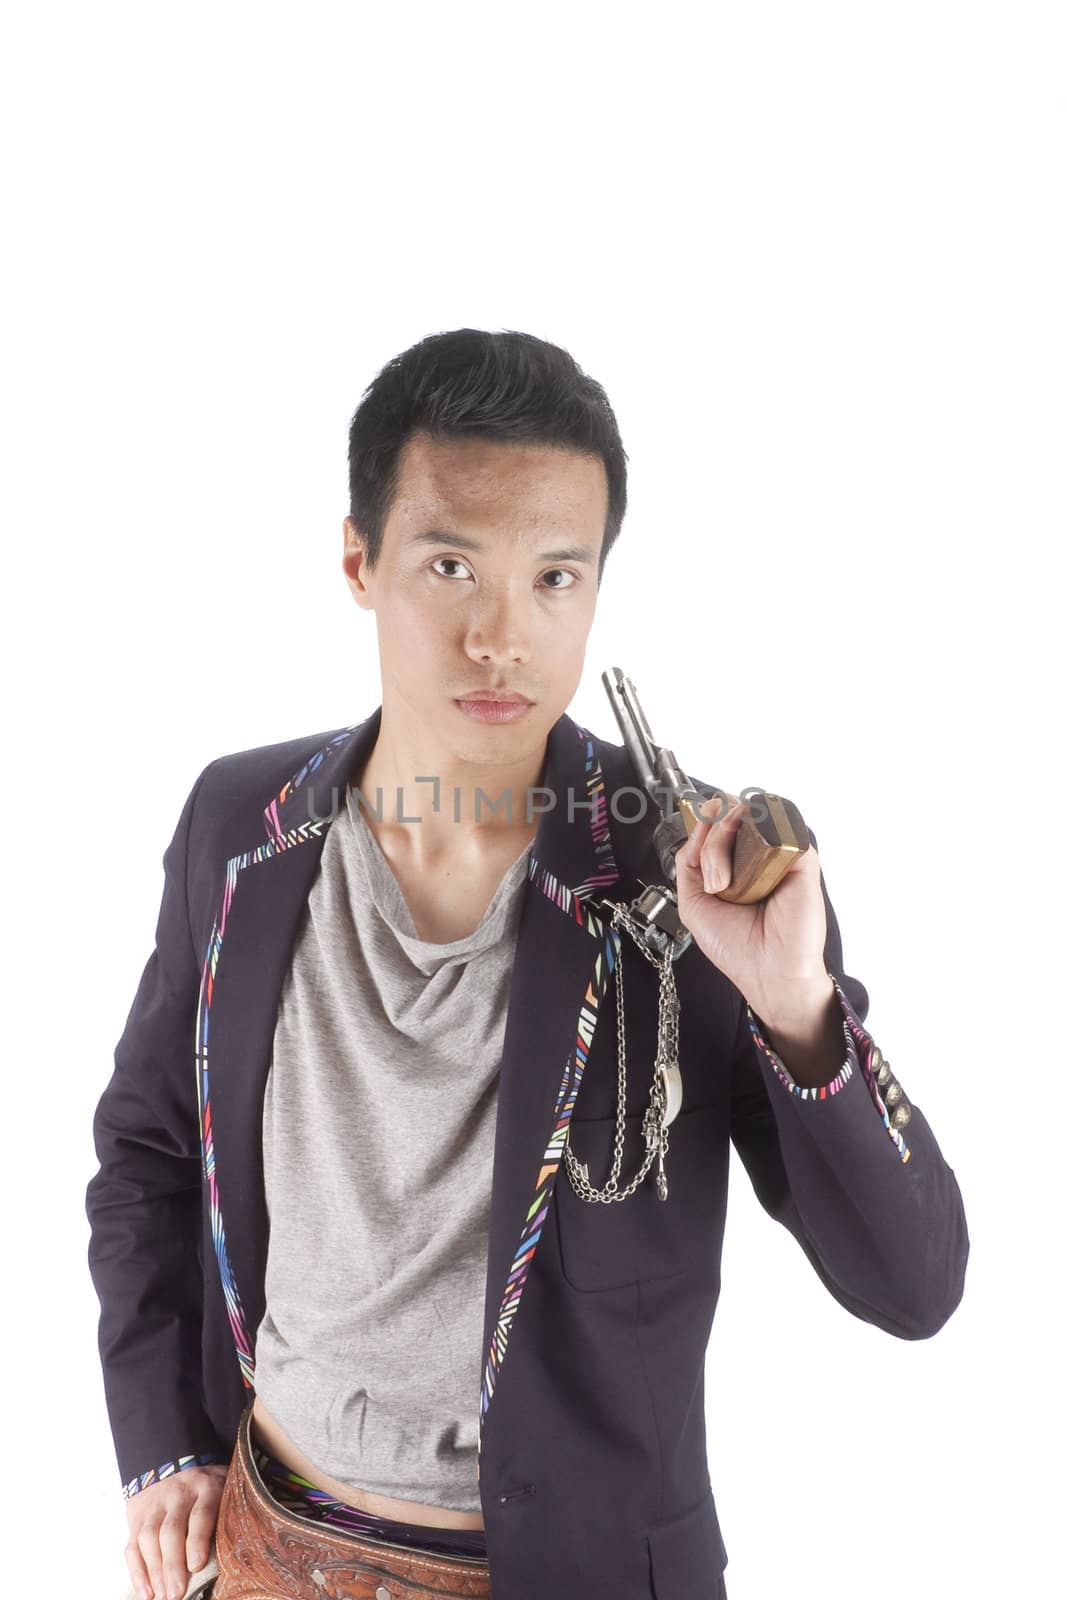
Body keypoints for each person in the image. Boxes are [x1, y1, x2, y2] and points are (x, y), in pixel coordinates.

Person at [85, 328, 970, 1600]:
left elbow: (914, 1283)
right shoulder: (243, 828)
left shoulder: (696, 877)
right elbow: (151, 1158)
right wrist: (161, 1441)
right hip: (267, 1546)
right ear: (359, 560)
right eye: (452, 565)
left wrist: (795, 1008)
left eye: (554, 578)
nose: (503, 635)